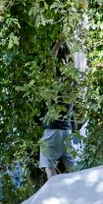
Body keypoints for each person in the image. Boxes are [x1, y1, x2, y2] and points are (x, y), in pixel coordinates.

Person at [39, 41, 75, 180]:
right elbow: (71, 61)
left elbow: (49, 62)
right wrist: (65, 44)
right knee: (71, 167)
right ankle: (77, 190)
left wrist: (58, 42)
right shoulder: (72, 83)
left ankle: (54, 196)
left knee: (49, 167)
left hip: (52, 131)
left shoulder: (54, 88)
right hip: (67, 131)